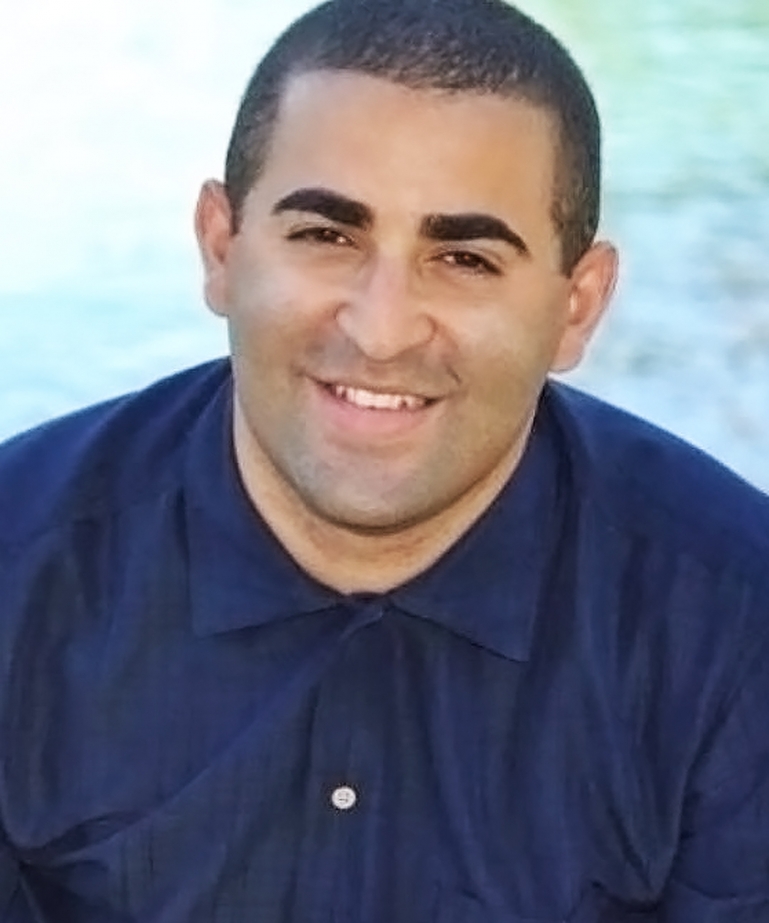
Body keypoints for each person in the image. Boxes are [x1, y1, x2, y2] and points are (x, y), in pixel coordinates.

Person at [1, 0, 767, 919]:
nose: (380, 328)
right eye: (327, 236)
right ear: (220, 246)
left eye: (466, 258)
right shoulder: (17, 572)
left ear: (577, 305)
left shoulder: (735, 630)